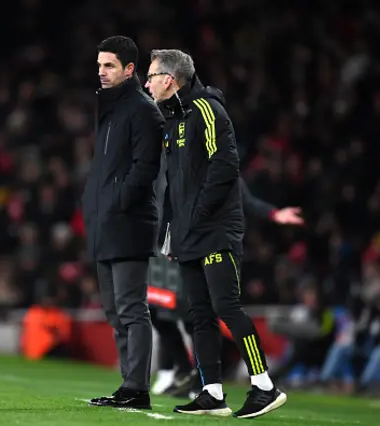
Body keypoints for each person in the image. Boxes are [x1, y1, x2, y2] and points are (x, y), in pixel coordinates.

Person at [146, 49, 287, 418]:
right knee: (199, 315)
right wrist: (170, 233)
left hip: (216, 229)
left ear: (170, 79)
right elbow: (175, 186)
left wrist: (198, 215)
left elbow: (225, 168)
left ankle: (265, 387)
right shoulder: (173, 120)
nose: (146, 83)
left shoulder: (207, 110)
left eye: (151, 76)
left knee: (227, 307)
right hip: (190, 232)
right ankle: (212, 392)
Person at [150, 177, 304, 397]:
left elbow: (248, 202)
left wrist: (274, 213)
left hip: (221, 250)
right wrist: (168, 240)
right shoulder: (186, 170)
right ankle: (204, 383)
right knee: (195, 318)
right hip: (193, 252)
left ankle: (261, 382)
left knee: (221, 312)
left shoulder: (223, 168)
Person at [82, 36, 164, 409]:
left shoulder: (142, 109)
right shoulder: (111, 108)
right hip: (105, 221)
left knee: (131, 307)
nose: (101, 71)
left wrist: (116, 203)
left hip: (128, 222)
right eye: (99, 65)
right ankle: (128, 385)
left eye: (109, 65)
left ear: (130, 69)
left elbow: (145, 168)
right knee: (115, 311)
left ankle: (137, 388)